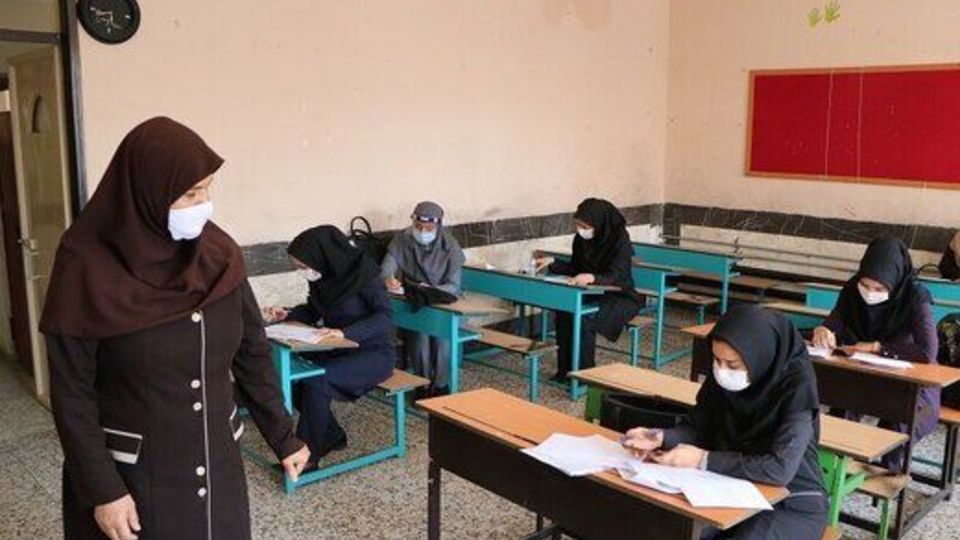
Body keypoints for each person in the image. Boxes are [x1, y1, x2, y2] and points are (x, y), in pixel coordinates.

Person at [41, 117, 309, 540]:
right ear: (148, 192)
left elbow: (252, 352)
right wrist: (103, 490)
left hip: (217, 466)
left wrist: (283, 434)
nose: (204, 204)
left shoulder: (219, 256)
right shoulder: (85, 266)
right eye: (190, 194)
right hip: (133, 479)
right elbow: (72, 394)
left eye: (207, 189)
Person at [623, 305, 828, 540]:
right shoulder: (723, 375)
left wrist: (702, 459)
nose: (721, 371)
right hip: (730, 487)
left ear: (760, 357)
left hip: (791, 501)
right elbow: (700, 426)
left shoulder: (797, 386)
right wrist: (660, 437)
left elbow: (779, 469)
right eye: (716, 360)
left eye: (733, 365)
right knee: (667, 527)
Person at [263, 226, 396, 468]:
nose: (303, 271)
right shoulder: (324, 277)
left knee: (316, 380)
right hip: (338, 348)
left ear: (322, 256)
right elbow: (314, 310)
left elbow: (384, 316)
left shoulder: (364, 275)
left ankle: (307, 457)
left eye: (303, 266)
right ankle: (331, 436)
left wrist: (346, 332)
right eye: (298, 267)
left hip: (373, 353)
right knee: (294, 378)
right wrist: (287, 314)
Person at [811, 237, 939, 468]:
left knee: (897, 431)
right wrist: (823, 330)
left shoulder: (915, 297)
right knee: (841, 415)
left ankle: (891, 474)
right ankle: (833, 470)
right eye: (865, 285)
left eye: (879, 289)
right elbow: (834, 321)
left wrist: (876, 347)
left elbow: (927, 351)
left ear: (895, 280)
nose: (870, 293)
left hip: (908, 381)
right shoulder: (853, 289)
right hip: (865, 375)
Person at [534, 198, 642, 382]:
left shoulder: (619, 240)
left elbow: (617, 274)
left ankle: (584, 375)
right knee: (565, 311)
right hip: (590, 291)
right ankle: (565, 371)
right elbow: (576, 268)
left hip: (618, 294)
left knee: (584, 318)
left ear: (599, 223)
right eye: (577, 225)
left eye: (584, 226)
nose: (580, 230)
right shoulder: (581, 239)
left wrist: (592, 278)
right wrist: (554, 262)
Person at [380, 201, 464, 396]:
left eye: (428, 228)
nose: (423, 232)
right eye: (418, 227)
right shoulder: (403, 239)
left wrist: (430, 290)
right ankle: (422, 384)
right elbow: (386, 269)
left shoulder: (450, 246)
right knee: (419, 336)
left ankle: (441, 384)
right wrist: (388, 280)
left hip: (443, 300)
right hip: (415, 299)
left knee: (443, 338)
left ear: (438, 226)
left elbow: (454, 285)